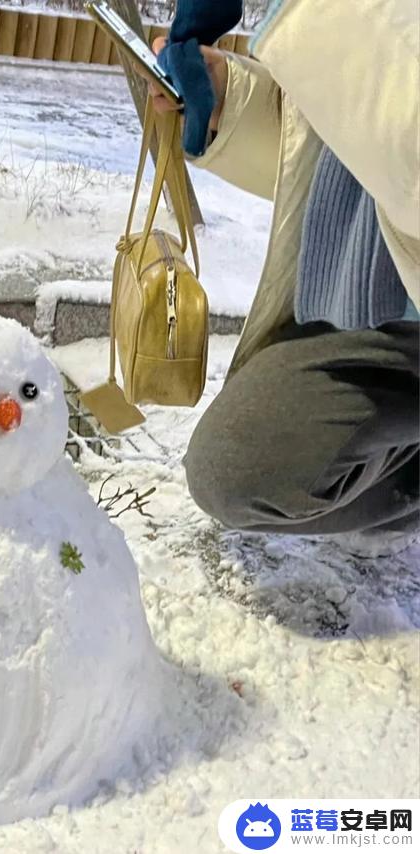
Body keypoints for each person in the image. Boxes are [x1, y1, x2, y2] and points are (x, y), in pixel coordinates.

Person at [148, 0, 419, 547]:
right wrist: (229, 105)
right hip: (368, 297)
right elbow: (343, 135)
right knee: (236, 468)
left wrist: (308, 13)